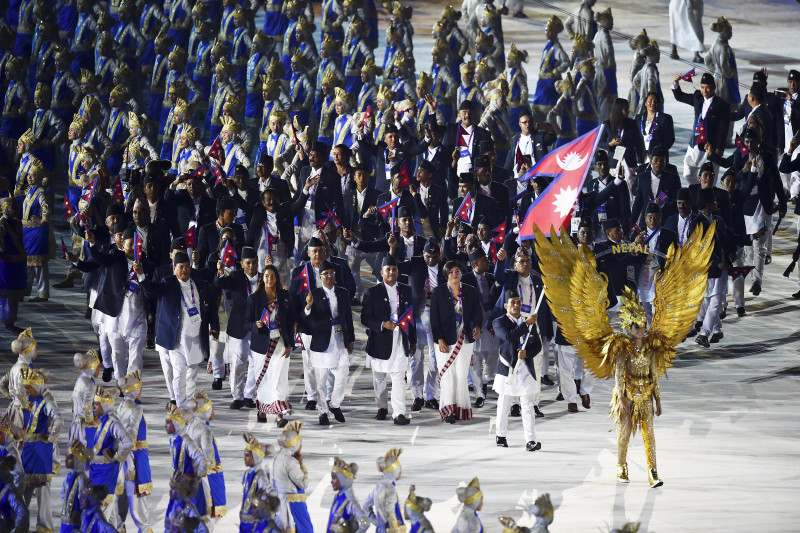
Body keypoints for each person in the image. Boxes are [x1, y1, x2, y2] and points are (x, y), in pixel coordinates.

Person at [537, 221, 716, 487]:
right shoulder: (621, 346)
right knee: (624, 432)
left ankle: (653, 472)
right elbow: (619, 376)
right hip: (627, 395)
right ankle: (621, 467)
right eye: (637, 327)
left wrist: (657, 399)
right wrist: (622, 399)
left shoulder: (653, 344)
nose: (641, 329)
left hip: (645, 394)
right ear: (630, 328)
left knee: (649, 434)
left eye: (642, 325)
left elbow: (654, 372)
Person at [140, 251, 219, 407]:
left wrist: (214, 326)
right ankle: (181, 406)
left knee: (192, 374)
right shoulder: (167, 283)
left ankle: (189, 403)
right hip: (176, 338)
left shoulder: (200, 285)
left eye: (187, 267)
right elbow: (151, 289)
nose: (184, 270)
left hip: (196, 338)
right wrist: (142, 275)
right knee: (179, 374)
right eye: (181, 267)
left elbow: (210, 308)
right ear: (174, 268)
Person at [361, 256, 416, 425]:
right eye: (388, 269)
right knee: (380, 377)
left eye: (394, 269)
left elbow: (411, 317)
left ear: (398, 271)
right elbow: (365, 318)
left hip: (400, 339)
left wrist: (412, 341)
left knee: (399, 376)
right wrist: (382, 324)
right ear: (381, 272)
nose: (391, 272)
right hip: (380, 339)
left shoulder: (406, 290)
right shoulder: (372, 292)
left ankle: (399, 414)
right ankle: (382, 407)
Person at [302, 259, 355, 425]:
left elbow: (348, 317)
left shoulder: (343, 292)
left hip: (339, 338)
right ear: (320, 276)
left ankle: (335, 403)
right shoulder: (314, 294)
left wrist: (350, 338)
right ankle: (322, 411)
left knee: (343, 371)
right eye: (326, 274)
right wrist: (308, 307)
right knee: (321, 379)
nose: (330, 276)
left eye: (332, 273)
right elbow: (306, 319)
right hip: (321, 340)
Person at [430, 260, 482, 423]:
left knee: (460, 375)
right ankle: (447, 410)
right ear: (446, 274)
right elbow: (434, 319)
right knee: (447, 375)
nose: (455, 274)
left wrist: (478, 326)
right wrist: (440, 340)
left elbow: (476, 312)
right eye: (451, 271)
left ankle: (460, 409)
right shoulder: (438, 292)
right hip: (444, 340)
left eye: (457, 271)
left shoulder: (470, 290)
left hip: (464, 340)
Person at [492, 289, 543, 450]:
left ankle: (530, 440)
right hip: (508, 368)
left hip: (525, 367)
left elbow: (538, 345)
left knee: (527, 404)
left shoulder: (528, 321)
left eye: (518, 302)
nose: (516, 305)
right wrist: (525, 325)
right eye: (512, 302)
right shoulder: (499, 322)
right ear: (506, 305)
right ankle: (501, 435)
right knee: (505, 403)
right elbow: (508, 337)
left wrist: (527, 353)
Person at [247, 264, 295, 425]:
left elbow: (290, 321)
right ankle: (262, 409)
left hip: (280, 342)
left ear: (277, 278)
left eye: (272, 276)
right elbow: (246, 323)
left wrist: (289, 344)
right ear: (263, 278)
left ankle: (279, 414)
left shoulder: (284, 295)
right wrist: (256, 325)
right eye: (266, 276)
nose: (269, 279)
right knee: (264, 378)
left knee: (279, 377)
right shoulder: (254, 298)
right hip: (261, 345)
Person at [85, 385, 135, 526]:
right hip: (98, 472)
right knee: (110, 514)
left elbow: (128, 442)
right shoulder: (103, 420)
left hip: (106, 473)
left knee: (101, 513)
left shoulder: (113, 422)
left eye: (96, 404)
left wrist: (117, 456)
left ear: (104, 405)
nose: (93, 407)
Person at [19, 368, 61, 533]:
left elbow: (58, 419)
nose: (27, 390)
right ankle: (20, 521)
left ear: (36, 386)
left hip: (41, 451)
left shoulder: (47, 400)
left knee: (42, 490)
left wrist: (50, 437)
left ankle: (44, 526)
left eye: (29, 387)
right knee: (24, 488)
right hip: (28, 450)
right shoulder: (28, 399)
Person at [672, 71, 730, 184]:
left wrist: (720, 148)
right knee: (687, 174)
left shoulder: (721, 105)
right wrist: (676, 83)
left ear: (713, 87)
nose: (704, 91)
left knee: (711, 179)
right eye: (702, 87)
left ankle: (708, 194)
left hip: (711, 146)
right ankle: (698, 189)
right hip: (695, 143)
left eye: (707, 88)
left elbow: (723, 129)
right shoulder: (697, 97)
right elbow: (680, 96)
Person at [115, 371, 154, 533]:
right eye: (140, 389)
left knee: (121, 497)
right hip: (135, 459)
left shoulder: (120, 406)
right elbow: (131, 434)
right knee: (138, 500)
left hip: (120, 459)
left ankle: (118, 528)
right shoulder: (136, 409)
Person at [272, 421, 313, 533]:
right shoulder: (291, 461)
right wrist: (302, 466)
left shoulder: (277, 457)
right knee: (305, 528)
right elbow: (303, 483)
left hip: (281, 499)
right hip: (294, 502)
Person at [0, 197, 26, 333]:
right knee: (7, 295)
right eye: (13, 207)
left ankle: (11, 321)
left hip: (18, 263)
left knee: (14, 295)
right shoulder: (2, 224)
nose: (16, 209)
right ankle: (7, 322)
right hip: (7, 264)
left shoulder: (16, 222)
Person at [240, 432, 275, 533]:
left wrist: (260, 504)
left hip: (254, 522)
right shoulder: (247, 473)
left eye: (247, 456)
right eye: (244, 455)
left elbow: (272, 493)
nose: (244, 458)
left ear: (255, 457)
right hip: (244, 520)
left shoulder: (260, 475)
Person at [364, 448, 405, 533]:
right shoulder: (390, 489)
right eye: (399, 469)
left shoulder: (377, 488)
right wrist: (395, 530)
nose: (401, 472)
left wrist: (377, 523)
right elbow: (390, 512)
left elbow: (365, 506)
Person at [328, 457, 369, 532]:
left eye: (334, 478)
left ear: (343, 480)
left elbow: (365, 522)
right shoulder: (337, 496)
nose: (331, 481)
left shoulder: (349, 501)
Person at [60, 440, 92, 533]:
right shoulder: (68, 477)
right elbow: (63, 495)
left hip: (76, 521)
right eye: (66, 457)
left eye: (70, 457)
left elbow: (84, 501)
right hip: (66, 519)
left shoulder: (82, 478)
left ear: (78, 460)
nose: (66, 459)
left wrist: (82, 515)